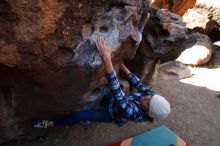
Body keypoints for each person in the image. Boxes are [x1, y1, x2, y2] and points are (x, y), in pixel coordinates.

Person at [33, 37, 170, 128]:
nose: (146, 97)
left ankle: (49, 124)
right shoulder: (151, 97)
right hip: (116, 102)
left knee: (80, 115)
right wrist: (120, 64)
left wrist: (107, 58)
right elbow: (137, 82)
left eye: (148, 102)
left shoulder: (133, 113)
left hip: (112, 113)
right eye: (150, 96)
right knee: (98, 97)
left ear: (147, 111)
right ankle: (90, 116)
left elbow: (118, 92)